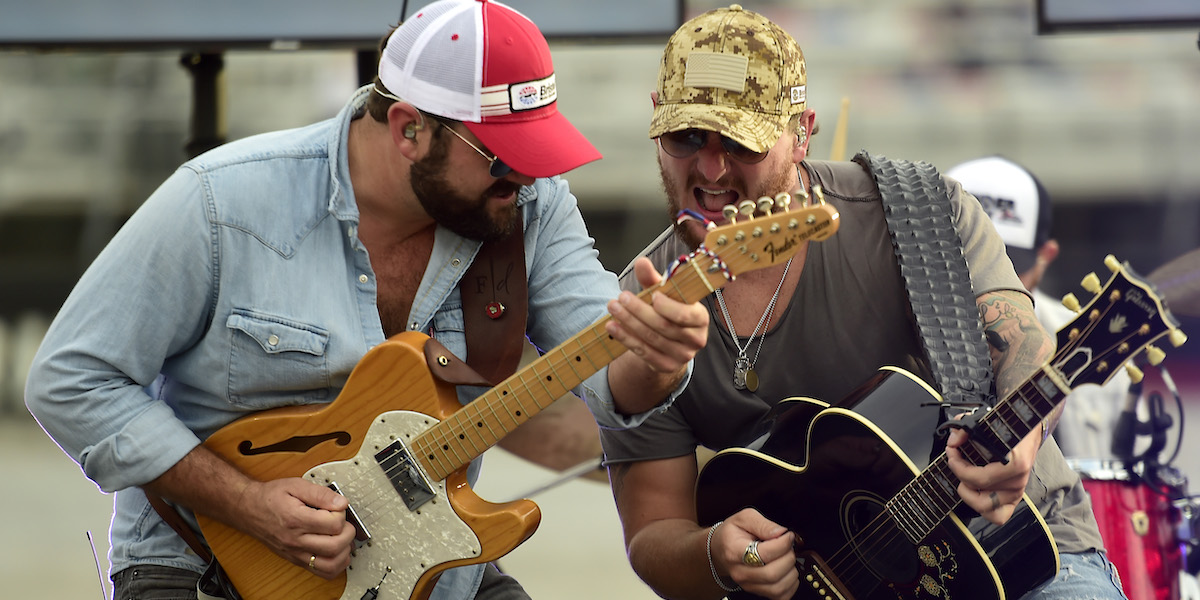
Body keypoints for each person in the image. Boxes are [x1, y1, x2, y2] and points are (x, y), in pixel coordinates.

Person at [23, 1, 708, 599]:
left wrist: (659, 357)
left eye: (538, 153)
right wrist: (249, 504)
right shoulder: (220, 203)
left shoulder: (529, 206)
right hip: (203, 566)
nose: (524, 178)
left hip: (426, 569)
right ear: (409, 130)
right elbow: (69, 379)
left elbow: (606, 365)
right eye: (503, 156)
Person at [600, 5, 1126, 600]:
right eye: (686, 137)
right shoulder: (640, 303)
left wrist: (1022, 441)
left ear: (801, 131)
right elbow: (651, 534)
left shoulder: (917, 212)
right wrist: (717, 554)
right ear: (655, 122)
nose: (712, 168)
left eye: (741, 143)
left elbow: (1019, 338)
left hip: (1019, 556)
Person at [946, 156, 1133, 461]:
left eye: (1007, 265)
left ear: (1046, 256)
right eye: (963, 264)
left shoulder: (1099, 340)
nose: (983, 285)